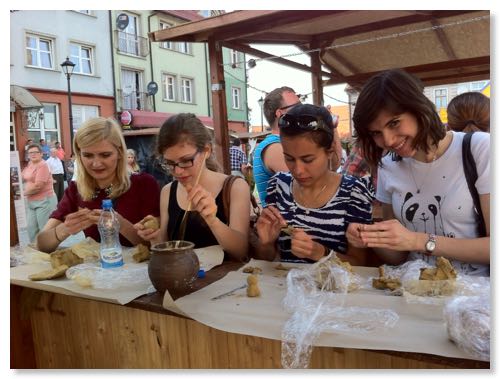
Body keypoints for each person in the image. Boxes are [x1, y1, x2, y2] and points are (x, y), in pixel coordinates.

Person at [346, 69, 489, 276]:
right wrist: (370, 238)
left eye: (394, 123)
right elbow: (397, 256)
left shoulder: (479, 149)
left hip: (471, 298)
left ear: (418, 109)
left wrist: (417, 240)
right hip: (414, 292)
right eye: (376, 133)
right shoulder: (387, 165)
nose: (388, 140)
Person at [254, 104, 374, 265]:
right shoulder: (278, 185)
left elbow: (361, 263)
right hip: (285, 288)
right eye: (289, 158)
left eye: (308, 160)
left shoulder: (353, 192)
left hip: (334, 289)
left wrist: (321, 254)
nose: (298, 170)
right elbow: (266, 261)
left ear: (330, 151)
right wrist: (266, 243)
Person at [134, 113, 250, 261]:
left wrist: (212, 220)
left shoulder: (235, 187)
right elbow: (167, 246)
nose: (178, 171)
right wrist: (154, 236)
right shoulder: (168, 191)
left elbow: (240, 252)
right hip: (181, 280)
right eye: (170, 163)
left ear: (206, 151)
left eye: (186, 160)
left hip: (224, 282)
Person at [36, 117, 161, 253]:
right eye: (88, 155)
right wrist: (64, 229)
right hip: (95, 272)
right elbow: (41, 244)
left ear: (120, 153)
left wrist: (122, 225)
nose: (96, 163)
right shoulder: (76, 189)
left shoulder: (144, 184)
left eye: (105, 155)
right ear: (79, 155)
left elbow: (155, 245)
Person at [253, 86, 342, 206]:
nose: (301, 109)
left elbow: (333, 165)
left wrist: (329, 127)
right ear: (280, 114)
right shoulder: (273, 147)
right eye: (296, 106)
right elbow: (317, 182)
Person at [21, 144, 58, 243]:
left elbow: (38, 186)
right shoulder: (30, 164)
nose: (33, 154)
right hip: (31, 202)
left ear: (41, 154)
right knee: (31, 229)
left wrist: (21, 193)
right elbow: (22, 177)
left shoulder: (43, 165)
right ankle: (35, 251)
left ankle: (46, 253)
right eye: (30, 153)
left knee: (44, 230)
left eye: (35, 152)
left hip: (44, 201)